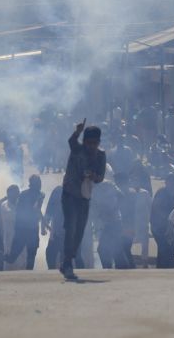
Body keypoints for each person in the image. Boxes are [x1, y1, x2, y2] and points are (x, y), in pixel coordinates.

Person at [60, 120, 107, 280]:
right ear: (84, 141)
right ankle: (67, 264)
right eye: (89, 142)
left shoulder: (101, 155)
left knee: (80, 231)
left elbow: (100, 177)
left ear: (98, 142)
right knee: (71, 228)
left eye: (95, 143)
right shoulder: (77, 149)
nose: (91, 146)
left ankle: (68, 259)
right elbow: (71, 141)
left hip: (84, 196)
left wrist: (93, 176)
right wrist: (77, 131)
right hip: (70, 194)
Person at [6, 174, 45, 269]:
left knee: (28, 254)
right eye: (37, 183)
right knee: (15, 257)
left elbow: (37, 210)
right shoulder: (30, 195)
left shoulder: (35, 194)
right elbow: (34, 209)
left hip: (28, 229)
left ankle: (28, 274)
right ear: (32, 184)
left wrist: (43, 226)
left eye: (39, 182)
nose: (39, 184)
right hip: (24, 229)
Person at [151, 173, 174, 268]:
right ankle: (163, 268)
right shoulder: (162, 192)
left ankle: (164, 268)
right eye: (170, 181)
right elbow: (157, 208)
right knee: (164, 247)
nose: (172, 184)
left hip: (169, 225)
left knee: (166, 249)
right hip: (158, 226)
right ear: (167, 182)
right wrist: (167, 218)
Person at [44, 185, 65, 270]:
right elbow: (50, 208)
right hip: (57, 229)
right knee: (50, 253)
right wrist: (46, 222)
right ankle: (52, 272)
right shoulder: (57, 190)